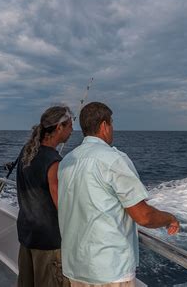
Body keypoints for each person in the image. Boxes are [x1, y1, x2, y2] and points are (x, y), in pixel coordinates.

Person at [58, 102, 180, 287]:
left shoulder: (66, 161)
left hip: (75, 266)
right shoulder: (114, 159)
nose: (112, 128)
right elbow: (144, 216)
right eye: (112, 123)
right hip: (109, 271)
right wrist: (170, 219)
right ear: (104, 126)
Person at [16, 105, 73, 287]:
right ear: (59, 128)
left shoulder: (27, 151)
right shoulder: (54, 161)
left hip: (27, 234)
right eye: (70, 126)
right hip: (48, 241)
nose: (72, 130)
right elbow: (61, 204)